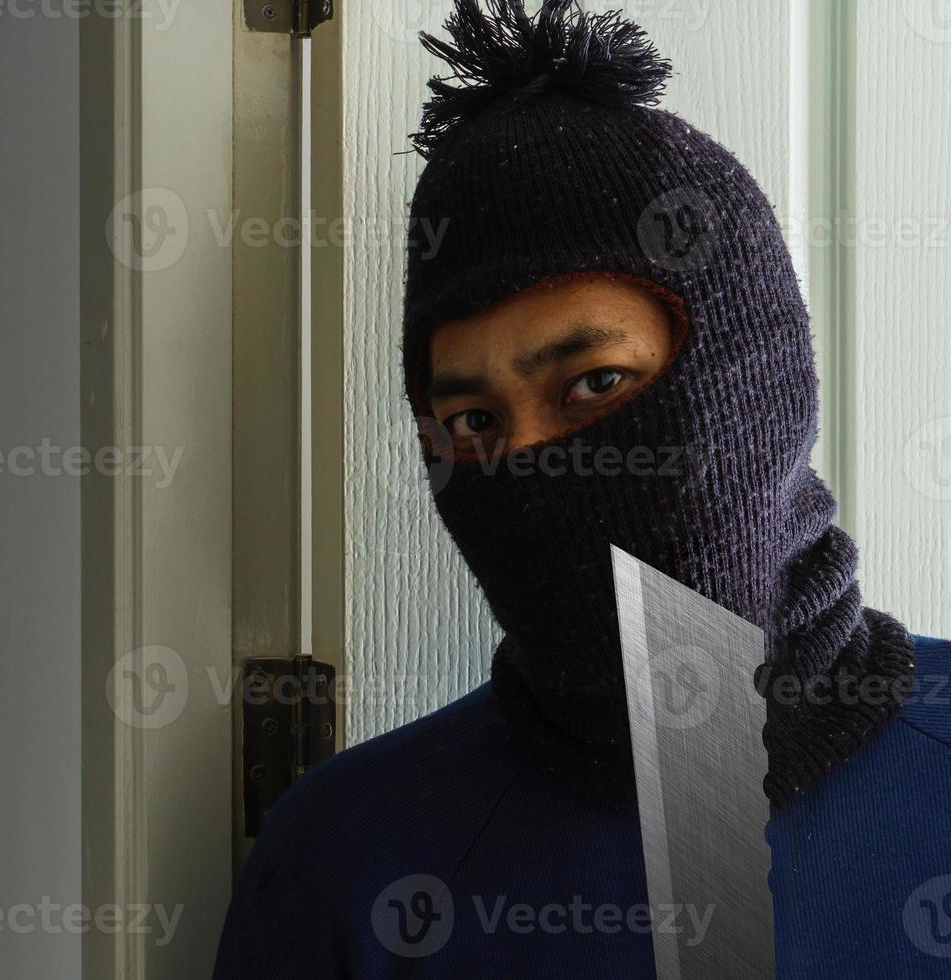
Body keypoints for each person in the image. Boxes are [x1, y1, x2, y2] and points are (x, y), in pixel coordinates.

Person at [213, 1, 951, 976]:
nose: (531, 467)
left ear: (755, 377)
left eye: (596, 384)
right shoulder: (347, 858)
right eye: (475, 422)